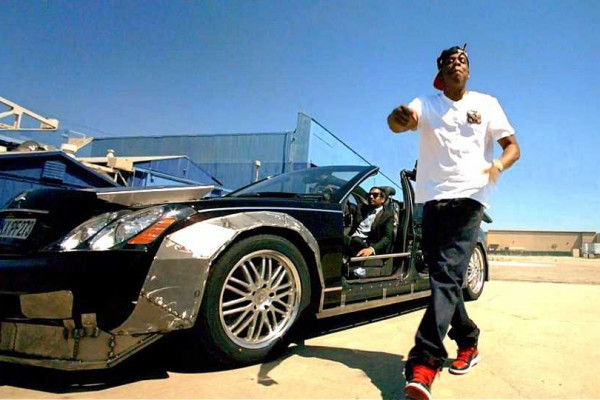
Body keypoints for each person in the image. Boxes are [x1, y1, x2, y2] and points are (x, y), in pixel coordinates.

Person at [387, 44, 520, 400]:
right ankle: (468, 340)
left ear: (468, 71)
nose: (457, 64)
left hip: (471, 197)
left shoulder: (487, 104)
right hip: (432, 200)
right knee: (442, 277)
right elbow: (400, 123)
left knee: (446, 276)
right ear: (440, 73)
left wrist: (498, 165)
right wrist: (397, 119)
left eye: (463, 60)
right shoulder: (426, 103)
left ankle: (424, 362)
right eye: (450, 61)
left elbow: (512, 147)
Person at [346, 186, 395, 258]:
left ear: (382, 199)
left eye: (375, 195)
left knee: (356, 240)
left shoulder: (387, 215)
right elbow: (349, 207)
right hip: (350, 240)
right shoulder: (361, 208)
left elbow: (387, 237)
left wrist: (371, 249)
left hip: (365, 244)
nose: (371, 197)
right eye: (369, 195)